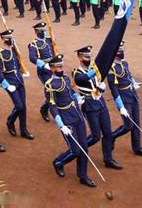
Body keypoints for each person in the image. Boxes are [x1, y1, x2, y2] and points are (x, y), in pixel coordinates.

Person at [45, 54, 96, 188]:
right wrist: (61, 125)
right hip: (66, 119)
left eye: (62, 66)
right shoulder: (50, 85)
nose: (61, 68)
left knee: (84, 147)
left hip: (77, 115)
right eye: (58, 67)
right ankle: (58, 162)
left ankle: (83, 176)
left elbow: (70, 91)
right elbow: (52, 105)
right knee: (75, 150)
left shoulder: (66, 78)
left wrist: (77, 97)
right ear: (52, 68)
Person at [72, 46, 123, 169]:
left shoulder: (93, 70)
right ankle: (79, 150)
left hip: (100, 103)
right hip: (89, 106)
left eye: (89, 56)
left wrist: (101, 87)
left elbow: (96, 84)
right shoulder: (77, 72)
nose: (88, 59)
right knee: (95, 136)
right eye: (86, 57)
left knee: (108, 133)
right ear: (79, 57)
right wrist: (98, 69)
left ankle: (108, 159)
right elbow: (82, 79)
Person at [108, 42, 142, 158]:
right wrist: (121, 106)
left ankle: (137, 147)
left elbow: (128, 76)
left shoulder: (125, 64)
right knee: (128, 125)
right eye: (119, 50)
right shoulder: (112, 69)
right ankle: (112, 136)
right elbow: (114, 89)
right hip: (123, 97)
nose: (122, 52)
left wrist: (134, 83)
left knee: (136, 123)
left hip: (132, 94)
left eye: (122, 49)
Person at [0, 29, 34, 140]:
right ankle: (10, 121)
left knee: (23, 106)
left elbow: (18, 63)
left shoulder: (14, 50)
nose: (10, 39)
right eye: (7, 37)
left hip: (19, 80)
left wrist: (23, 71)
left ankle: (23, 130)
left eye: (11, 37)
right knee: (19, 106)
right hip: (10, 82)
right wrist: (6, 85)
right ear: (2, 39)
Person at [28, 22, 54, 122]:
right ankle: (44, 108)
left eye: (44, 30)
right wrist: (43, 64)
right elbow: (32, 58)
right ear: (36, 31)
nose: (43, 32)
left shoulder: (49, 40)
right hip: (43, 71)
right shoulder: (34, 44)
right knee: (50, 91)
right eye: (40, 30)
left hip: (53, 68)